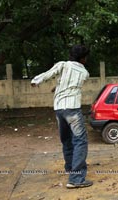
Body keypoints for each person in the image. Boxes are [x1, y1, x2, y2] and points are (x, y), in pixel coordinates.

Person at [31, 45, 93, 188]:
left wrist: (36, 81)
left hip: (59, 108)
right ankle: (76, 179)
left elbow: (49, 74)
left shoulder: (63, 65)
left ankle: (70, 169)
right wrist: (58, 85)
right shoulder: (85, 72)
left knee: (66, 140)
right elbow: (71, 85)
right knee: (80, 141)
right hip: (72, 108)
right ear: (83, 58)